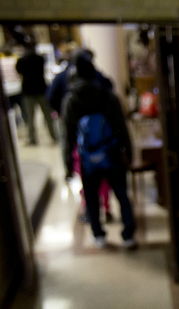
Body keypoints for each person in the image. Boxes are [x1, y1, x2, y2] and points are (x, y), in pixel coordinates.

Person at [62, 53, 137, 249]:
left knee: (92, 198)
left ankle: (98, 235)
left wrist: (68, 164)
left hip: (87, 159)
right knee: (121, 194)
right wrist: (128, 153)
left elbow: (67, 136)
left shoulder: (71, 101)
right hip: (112, 154)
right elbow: (122, 127)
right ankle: (128, 235)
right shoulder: (108, 97)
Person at [47, 48, 115, 223]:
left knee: (87, 181)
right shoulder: (98, 77)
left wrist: (61, 113)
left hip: (80, 141)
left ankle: (91, 214)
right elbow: (111, 89)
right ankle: (106, 208)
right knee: (104, 178)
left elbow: (51, 97)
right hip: (102, 138)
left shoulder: (63, 82)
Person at [15, 42, 57, 145]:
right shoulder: (40, 59)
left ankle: (32, 139)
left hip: (29, 91)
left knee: (30, 117)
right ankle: (54, 136)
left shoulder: (21, 61)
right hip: (41, 89)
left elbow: (19, 71)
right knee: (47, 115)